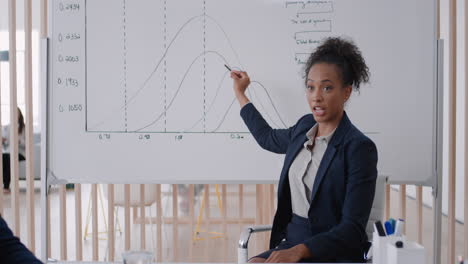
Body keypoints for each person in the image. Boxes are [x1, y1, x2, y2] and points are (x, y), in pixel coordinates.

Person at [230, 37, 378, 263]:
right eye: (311, 87)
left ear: (346, 92)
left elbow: (352, 229)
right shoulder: (303, 127)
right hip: (292, 242)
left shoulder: (359, 148)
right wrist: (241, 94)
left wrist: (298, 252)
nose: (316, 96)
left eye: (327, 88)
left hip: (333, 251)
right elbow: (267, 137)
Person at [2, 107, 26, 193]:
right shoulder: (7, 127)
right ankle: (5, 183)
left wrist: (19, 141)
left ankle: (6, 186)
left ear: (20, 114)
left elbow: (26, 144)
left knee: (9, 157)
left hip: (20, 153)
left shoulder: (24, 127)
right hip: (8, 152)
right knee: (4, 157)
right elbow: (5, 144)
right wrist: (4, 141)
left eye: (16, 113)